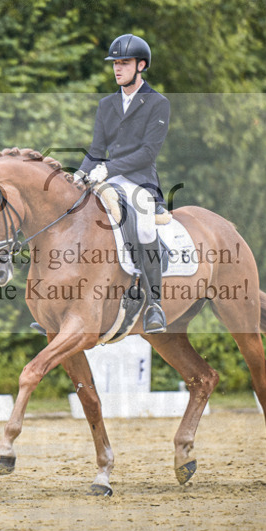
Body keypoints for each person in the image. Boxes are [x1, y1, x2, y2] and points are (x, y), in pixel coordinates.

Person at [78, 33, 170, 334]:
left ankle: (154, 304)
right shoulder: (106, 104)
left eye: (124, 63)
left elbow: (148, 153)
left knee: (144, 225)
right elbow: (96, 150)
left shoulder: (158, 103)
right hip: (107, 176)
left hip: (140, 180)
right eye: (115, 63)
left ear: (141, 65)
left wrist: (108, 169)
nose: (117, 68)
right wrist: (79, 175)